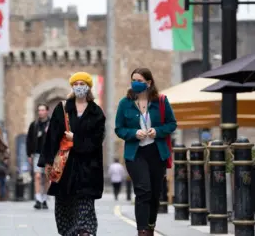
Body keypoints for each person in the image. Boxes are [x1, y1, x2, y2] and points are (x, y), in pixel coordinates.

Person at [40, 71, 106, 236]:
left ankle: (85, 231)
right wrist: (47, 161)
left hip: (87, 165)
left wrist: (76, 139)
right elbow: (52, 137)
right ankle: (70, 232)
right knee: (64, 204)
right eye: (75, 85)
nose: (78, 87)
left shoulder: (96, 112)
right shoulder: (62, 109)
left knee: (85, 204)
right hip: (65, 166)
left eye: (82, 84)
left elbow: (97, 140)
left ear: (88, 87)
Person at [115, 67, 177, 236]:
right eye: (133, 79)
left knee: (155, 193)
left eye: (140, 81)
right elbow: (119, 129)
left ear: (149, 83)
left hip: (157, 153)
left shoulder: (161, 101)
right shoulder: (124, 103)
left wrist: (158, 131)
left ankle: (150, 225)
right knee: (143, 190)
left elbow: (172, 124)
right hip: (135, 154)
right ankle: (142, 231)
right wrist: (133, 133)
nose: (136, 83)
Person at [26, 103, 51, 209]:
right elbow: (29, 139)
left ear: (47, 111)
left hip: (49, 154)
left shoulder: (52, 124)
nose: (40, 112)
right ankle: (37, 199)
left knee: (46, 177)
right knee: (37, 176)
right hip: (37, 154)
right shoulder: (34, 125)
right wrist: (29, 154)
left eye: (42, 110)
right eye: (39, 110)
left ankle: (44, 199)